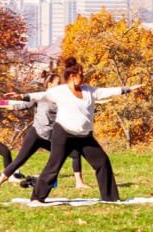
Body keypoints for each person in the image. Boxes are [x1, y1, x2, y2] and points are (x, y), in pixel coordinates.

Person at [28, 57, 142, 204]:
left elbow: (106, 92)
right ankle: (37, 198)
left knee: (102, 162)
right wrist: (23, 97)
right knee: (54, 166)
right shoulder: (60, 91)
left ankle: (110, 198)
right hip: (63, 133)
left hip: (84, 137)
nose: (84, 77)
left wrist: (127, 89)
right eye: (81, 75)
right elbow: (41, 96)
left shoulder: (89, 90)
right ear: (72, 76)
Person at [0, 71, 86, 188]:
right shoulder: (40, 97)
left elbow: (79, 102)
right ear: (50, 85)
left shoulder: (63, 98)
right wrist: (0, 106)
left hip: (51, 136)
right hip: (36, 134)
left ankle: (79, 183)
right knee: (20, 160)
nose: (60, 85)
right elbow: (20, 105)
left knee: (75, 153)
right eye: (57, 83)